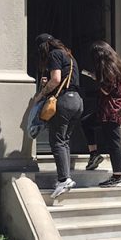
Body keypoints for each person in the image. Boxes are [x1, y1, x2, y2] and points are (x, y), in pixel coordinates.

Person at [32, 34, 83, 200]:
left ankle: (64, 179)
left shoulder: (54, 54)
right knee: (64, 141)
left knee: (57, 141)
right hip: (77, 101)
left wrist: (41, 94)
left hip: (63, 102)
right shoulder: (69, 56)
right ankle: (65, 177)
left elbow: (56, 79)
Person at [90, 41, 121, 188]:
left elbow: (107, 90)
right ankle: (94, 154)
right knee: (87, 122)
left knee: (114, 143)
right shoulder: (119, 65)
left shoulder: (108, 68)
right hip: (115, 109)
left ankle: (117, 177)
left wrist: (96, 79)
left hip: (110, 110)